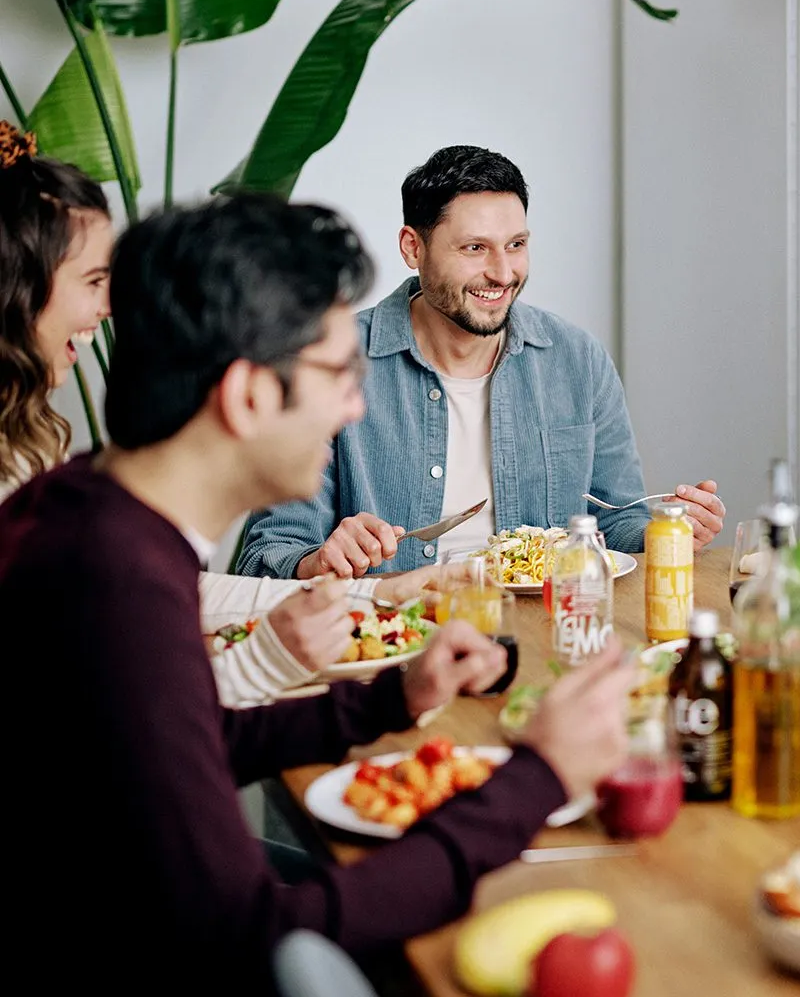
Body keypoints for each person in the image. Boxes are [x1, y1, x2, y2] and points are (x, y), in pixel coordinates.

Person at [1, 194, 634, 991]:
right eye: (338, 374)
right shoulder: (117, 586)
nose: (356, 406)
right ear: (248, 397)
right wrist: (538, 781)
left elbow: (177, 746)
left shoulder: (84, 508)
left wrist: (387, 702)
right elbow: (253, 936)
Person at [0, 121, 439, 707]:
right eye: (92, 280)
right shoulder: (100, 550)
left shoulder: (71, 490)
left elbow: (176, 612)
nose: (110, 309)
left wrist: (373, 598)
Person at [236, 145, 726, 579]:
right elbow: (266, 553)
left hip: (542, 628)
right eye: (475, 249)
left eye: (516, 245)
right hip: (400, 634)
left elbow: (615, 522)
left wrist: (670, 528)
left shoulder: (577, 360)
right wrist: (320, 560)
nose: (503, 272)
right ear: (414, 248)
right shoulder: (329, 363)